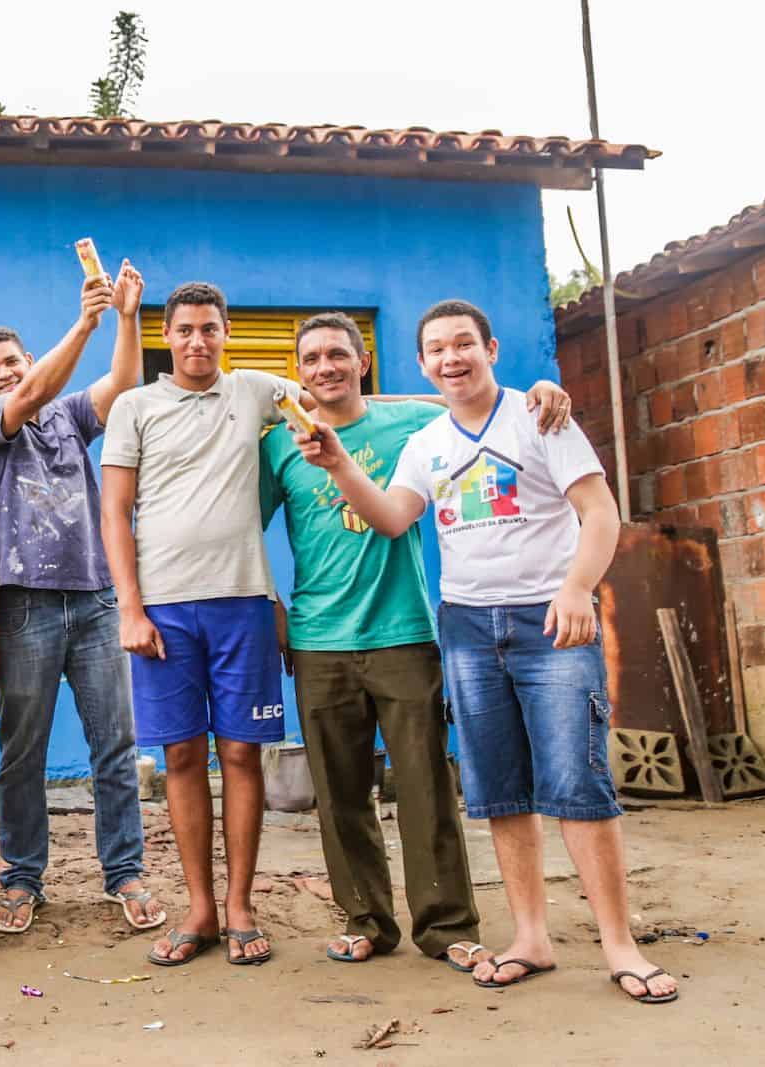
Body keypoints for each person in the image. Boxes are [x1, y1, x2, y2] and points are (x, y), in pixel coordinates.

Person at [294, 298, 678, 1005]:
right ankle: (531, 936)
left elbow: (599, 512)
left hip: (550, 623)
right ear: (421, 364)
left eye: (463, 344)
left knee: (579, 787)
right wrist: (340, 462)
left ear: (491, 348)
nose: (451, 358)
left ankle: (619, 944)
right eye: (437, 348)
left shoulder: (540, 416)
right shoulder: (425, 442)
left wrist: (576, 588)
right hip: (467, 626)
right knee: (503, 790)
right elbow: (390, 519)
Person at [258, 312, 572, 971]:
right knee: (339, 794)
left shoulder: (410, 426)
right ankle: (366, 919)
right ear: (299, 370)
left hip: (405, 632)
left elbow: (465, 396)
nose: (325, 367)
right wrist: (274, 605)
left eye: (338, 354)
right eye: (311, 358)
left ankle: (446, 924)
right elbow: (243, 527)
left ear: (362, 359)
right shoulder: (280, 442)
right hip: (318, 640)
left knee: (427, 786)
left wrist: (538, 387)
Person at [101, 282, 305, 967]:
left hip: (243, 601)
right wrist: (129, 606)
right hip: (162, 610)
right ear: (167, 333)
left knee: (243, 754)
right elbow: (114, 512)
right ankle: (201, 908)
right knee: (183, 756)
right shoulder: (136, 406)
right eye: (185, 329)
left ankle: (241, 903)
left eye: (209, 329)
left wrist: (526, 397)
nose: (197, 341)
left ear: (226, 333)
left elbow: (340, 396)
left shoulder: (253, 391)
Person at [0, 261, 162, 935]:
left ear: (25, 356)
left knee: (115, 742)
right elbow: (33, 391)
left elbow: (123, 385)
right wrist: (86, 322)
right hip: (25, 608)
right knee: (24, 750)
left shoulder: (69, 417)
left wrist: (127, 318)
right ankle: (22, 877)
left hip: (97, 598)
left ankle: (124, 871)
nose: (3, 373)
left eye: (10, 360)